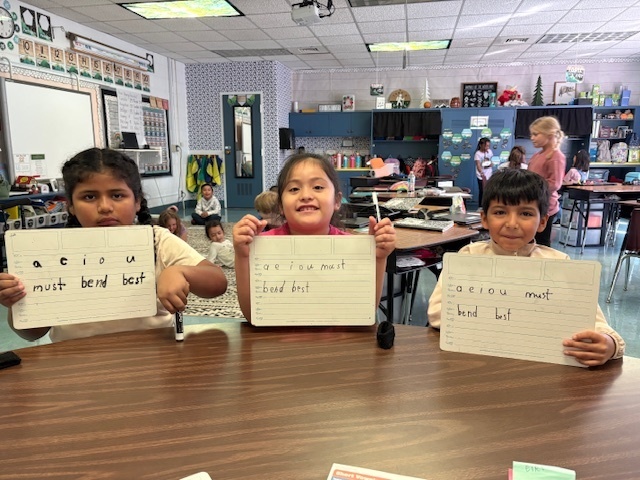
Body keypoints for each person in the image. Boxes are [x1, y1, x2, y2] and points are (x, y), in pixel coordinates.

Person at [0, 148, 227, 342]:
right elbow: (32, 334)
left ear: (137, 201)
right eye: (89, 197)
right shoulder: (50, 254)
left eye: (117, 196)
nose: (105, 207)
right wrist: (15, 304)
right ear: (70, 206)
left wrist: (181, 272)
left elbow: (217, 282)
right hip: (73, 367)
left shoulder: (157, 240)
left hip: (154, 361)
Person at [427, 169, 624, 366]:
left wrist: (610, 344)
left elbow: (596, 323)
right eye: (500, 212)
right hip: (477, 364)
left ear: (543, 222)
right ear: (484, 219)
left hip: (542, 370)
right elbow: (437, 313)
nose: (512, 223)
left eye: (526, 213)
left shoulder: (559, 264)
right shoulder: (468, 257)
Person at [232, 153, 396, 324]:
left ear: (337, 201)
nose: (306, 195)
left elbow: (365, 311)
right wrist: (242, 256)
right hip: (277, 342)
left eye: (318, 187)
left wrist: (378, 258)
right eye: (294, 189)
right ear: (280, 205)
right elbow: (253, 315)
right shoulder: (261, 245)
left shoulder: (352, 248)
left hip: (338, 344)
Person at [528, 116, 566, 246]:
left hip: (545, 207)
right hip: (532, 204)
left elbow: (555, 183)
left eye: (535, 134)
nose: (532, 138)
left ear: (549, 135)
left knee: (541, 242)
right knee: (529, 239)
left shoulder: (556, 156)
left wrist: (531, 190)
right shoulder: (537, 155)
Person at [474, 137, 493, 206]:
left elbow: (490, 161)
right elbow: (478, 165)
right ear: (481, 145)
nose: (487, 147)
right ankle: (481, 206)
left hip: (489, 175)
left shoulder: (490, 151)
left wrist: (491, 164)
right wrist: (481, 173)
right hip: (481, 176)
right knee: (482, 192)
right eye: (486, 146)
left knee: (489, 191)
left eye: (488, 146)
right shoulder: (477, 154)